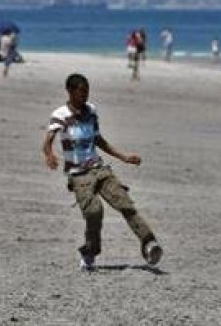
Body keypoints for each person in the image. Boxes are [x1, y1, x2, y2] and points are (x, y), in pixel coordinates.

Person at [41, 73, 163, 272]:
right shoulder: (60, 115)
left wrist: (124, 157)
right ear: (70, 91)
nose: (85, 96)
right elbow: (47, 142)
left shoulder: (91, 111)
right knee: (94, 211)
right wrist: (49, 155)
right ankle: (90, 252)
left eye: (87, 91)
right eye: (81, 92)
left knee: (125, 204)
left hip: (99, 169)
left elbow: (99, 140)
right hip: (79, 175)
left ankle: (149, 243)